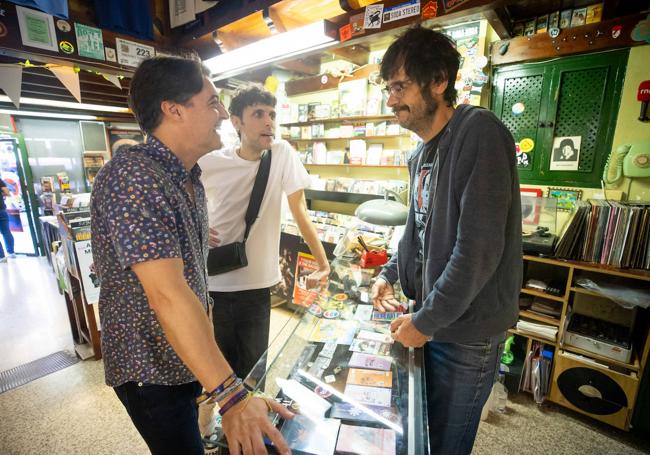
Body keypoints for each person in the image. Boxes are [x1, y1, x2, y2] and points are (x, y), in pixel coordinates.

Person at [90, 56, 293, 455]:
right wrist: (232, 395)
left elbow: (195, 283)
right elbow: (167, 294)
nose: (222, 114)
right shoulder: (133, 175)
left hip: (181, 358)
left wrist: (216, 379)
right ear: (174, 109)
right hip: (149, 369)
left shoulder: (190, 179)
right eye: (213, 102)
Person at [370, 26, 522, 454]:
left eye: (400, 86)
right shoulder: (419, 154)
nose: (392, 99)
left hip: (467, 333)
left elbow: (476, 251)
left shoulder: (480, 132)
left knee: (445, 445)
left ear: (439, 80)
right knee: (420, 433)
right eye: (388, 88)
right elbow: (418, 232)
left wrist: (425, 322)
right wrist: (388, 272)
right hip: (435, 318)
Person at [199, 86, 330, 380]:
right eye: (258, 114)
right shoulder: (211, 161)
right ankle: (215, 424)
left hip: (258, 286)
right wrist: (196, 224)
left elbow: (300, 211)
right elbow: (176, 189)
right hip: (215, 283)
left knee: (254, 371)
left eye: (271, 114)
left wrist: (323, 263)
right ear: (236, 122)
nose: (269, 121)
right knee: (218, 374)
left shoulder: (282, 154)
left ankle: (246, 425)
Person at [0, 178, 16, 262]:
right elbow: (7, 192)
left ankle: (1, 257)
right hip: (1, 209)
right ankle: (11, 253)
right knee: (6, 232)